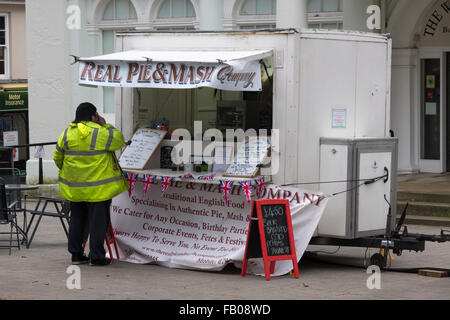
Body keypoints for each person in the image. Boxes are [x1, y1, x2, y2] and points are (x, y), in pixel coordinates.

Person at [54, 102, 129, 266]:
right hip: (98, 190)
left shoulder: (66, 134)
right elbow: (119, 140)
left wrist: (74, 173)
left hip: (75, 189)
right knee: (97, 223)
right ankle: (96, 256)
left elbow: (58, 159)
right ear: (93, 116)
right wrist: (106, 124)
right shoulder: (100, 132)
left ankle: (76, 255)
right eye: (97, 115)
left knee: (77, 220)